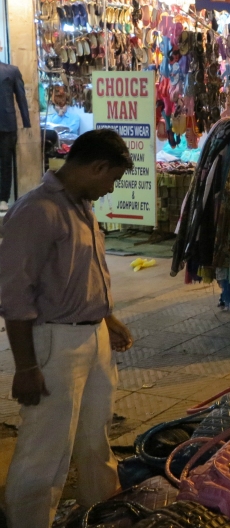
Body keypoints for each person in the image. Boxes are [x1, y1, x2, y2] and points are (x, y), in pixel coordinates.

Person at [0, 129, 136, 527]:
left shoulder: (80, 205)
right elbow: (14, 296)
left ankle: (100, 511)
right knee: (47, 448)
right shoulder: (36, 211)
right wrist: (26, 368)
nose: (111, 189)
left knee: (95, 438)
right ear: (96, 167)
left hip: (92, 337)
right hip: (55, 342)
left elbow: (81, 273)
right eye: (112, 179)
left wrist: (107, 320)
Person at [0, 56, 30, 212]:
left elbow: (21, 96)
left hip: (6, 122)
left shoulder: (11, 70)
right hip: (7, 122)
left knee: (6, 162)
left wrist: (26, 121)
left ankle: (3, 198)